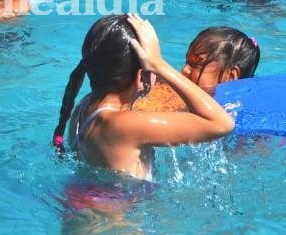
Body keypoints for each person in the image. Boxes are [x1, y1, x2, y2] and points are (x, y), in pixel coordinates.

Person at [52, 14, 235, 180]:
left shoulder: (83, 108)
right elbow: (222, 124)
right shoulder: (123, 124)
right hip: (117, 217)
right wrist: (158, 64)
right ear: (141, 75)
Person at [136, 26, 260, 111]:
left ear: (231, 76)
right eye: (187, 62)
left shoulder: (226, 113)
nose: (185, 70)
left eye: (196, 64)